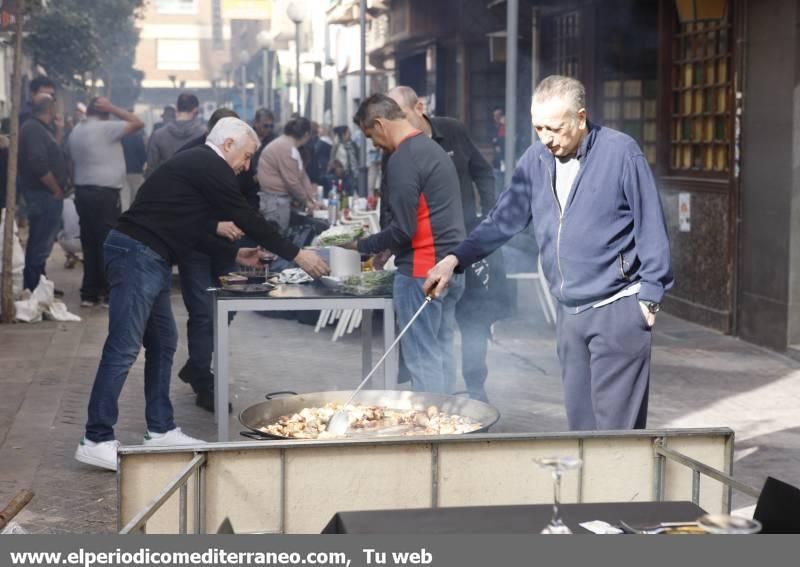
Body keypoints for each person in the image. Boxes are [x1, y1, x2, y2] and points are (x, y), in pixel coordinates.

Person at [74, 117, 328, 471]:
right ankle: (96, 437)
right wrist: (297, 253)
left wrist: (237, 254)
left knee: (163, 342)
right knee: (124, 346)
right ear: (228, 146)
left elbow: (188, 224)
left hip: (151, 256)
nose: (247, 165)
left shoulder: (198, 165)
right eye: (246, 155)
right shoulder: (210, 164)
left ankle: (161, 429)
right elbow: (246, 217)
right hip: (136, 254)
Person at [424, 76, 673, 430]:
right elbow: (503, 220)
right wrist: (455, 259)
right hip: (570, 314)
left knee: (618, 433)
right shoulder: (535, 160)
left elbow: (651, 223)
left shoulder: (621, 153)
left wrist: (649, 296)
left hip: (618, 308)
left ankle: (621, 488)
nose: (546, 139)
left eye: (555, 129)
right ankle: (588, 487)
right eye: (538, 128)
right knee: (580, 427)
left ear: (581, 118)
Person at [387, 86, 511, 403]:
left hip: (466, 242)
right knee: (434, 333)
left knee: (473, 317)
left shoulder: (452, 130)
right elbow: (390, 198)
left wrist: (488, 216)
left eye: (400, 115)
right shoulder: (396, 144)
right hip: (425, 250)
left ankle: (475, 387)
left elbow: (484, 173)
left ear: (420, 107)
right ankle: (437, 400)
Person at [345, 94, 466, 394]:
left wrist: (363, 245)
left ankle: (433, 431)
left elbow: (402, 229)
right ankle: (449, 421)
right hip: (451, 268)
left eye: (370, 136)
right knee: (441, 353)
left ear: (379, 124)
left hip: (422, 273)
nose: (374, 145)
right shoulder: (431, 148)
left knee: (423, 359)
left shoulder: (403, 159)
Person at [174, 107, 256, 411]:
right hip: (195, 246)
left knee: (228, 308)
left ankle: (197, 364)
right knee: (203, 313)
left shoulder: (243, 156)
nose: (244, 164)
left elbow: (250, 196)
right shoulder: (192, 154)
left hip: (227, 248)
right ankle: (204, 382)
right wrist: (214, 224)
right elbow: (180, 206)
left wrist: (246, 228)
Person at [67, 96, 144, 307]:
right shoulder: (106, 128)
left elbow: (71, 163)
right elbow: (138, 122)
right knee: (108, 243)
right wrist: (114, 107)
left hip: (83, 192)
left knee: (90, 242)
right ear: (104, 111)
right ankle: (109, 292)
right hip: (105, 194)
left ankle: (89, 293)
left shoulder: (77, 130)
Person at [18, 94, 67, 292]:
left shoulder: (41, 129)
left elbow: (50, 151)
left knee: (42, 242)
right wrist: (55, 189)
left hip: (45, 194)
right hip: (42, 194)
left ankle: (39, 283)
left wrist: (60, 131)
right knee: (40, 242)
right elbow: (38, 163)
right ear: (51, 108)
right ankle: (34, 286)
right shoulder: (32, 129)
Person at [257, 117, 316, 232]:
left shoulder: (287, 145)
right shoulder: (286, 148)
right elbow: (292, 181)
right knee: (276, 239)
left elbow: (302, 175)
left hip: (276, 200)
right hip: (275, 201)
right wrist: (306, 200)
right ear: (306, 134)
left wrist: (311, 199)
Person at [145, 94, 205, 176]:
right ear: (195, 110)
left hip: (167, 185)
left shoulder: (158, 135)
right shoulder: (204, 135)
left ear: (176, 109)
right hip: (196, 186)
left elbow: (151, 168)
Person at [121, 125, 147, 209]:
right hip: (136, 170)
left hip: (122, 170)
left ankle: (123, 217)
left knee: (124, 197)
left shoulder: (120, 137)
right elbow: (143, 155)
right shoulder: (138, 137)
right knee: (136, 195)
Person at [328, 126, 359, 195]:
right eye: (348, 132)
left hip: (353, 174)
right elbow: (332, 159)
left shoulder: (353, 145)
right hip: (342, 174)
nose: (350, 134)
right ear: (343, 134)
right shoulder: (337, 146)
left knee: (352, 193)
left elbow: (357, 157)